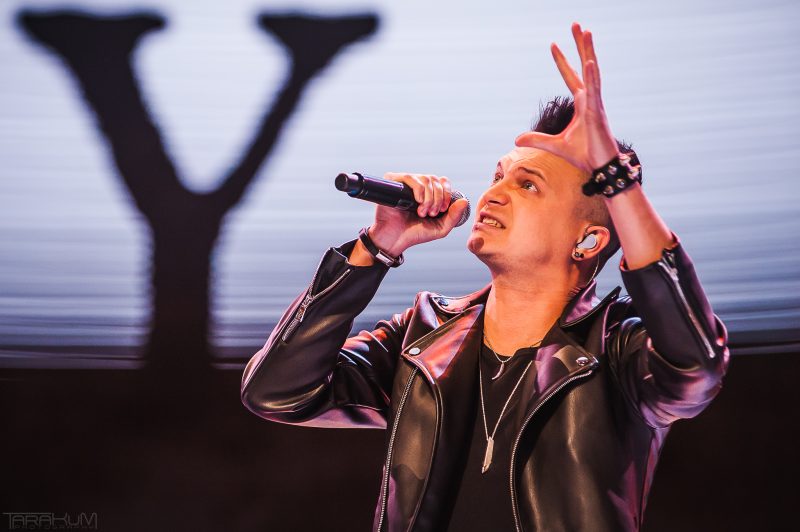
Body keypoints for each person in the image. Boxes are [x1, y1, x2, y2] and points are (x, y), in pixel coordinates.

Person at [240, 22, 730, 532]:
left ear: (588, 240)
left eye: (528, 185)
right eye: (498, 177)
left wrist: (614, 175)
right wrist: (377, 245)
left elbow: (697, 366)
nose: (494, 194)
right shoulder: (423, 336)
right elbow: (276, 391)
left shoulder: (617, 349)